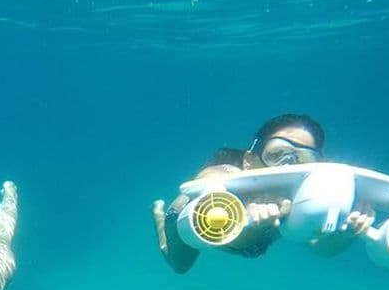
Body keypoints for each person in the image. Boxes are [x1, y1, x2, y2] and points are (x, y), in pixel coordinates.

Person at [151, 114, 373, 274]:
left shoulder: (306, 192)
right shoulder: (227, 175)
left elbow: (320, 248)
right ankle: (161, 216)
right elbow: (209, 179)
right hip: (202, 223)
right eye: (278, 154)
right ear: (249, 160)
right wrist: (240, 218)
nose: (287, 166)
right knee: (181, 265)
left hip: (257, 244)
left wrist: (346, 233)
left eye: (303, 158)